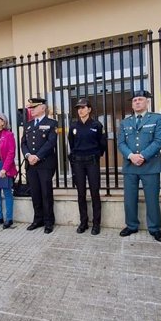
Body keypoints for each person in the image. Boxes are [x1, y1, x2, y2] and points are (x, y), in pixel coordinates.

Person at [118, 90, 161, 241]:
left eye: (140, 99)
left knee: (152, 199)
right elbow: (121, 143)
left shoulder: (157, 118)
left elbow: (159, 140)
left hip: (150, 165)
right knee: (129, 199)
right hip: (130, 165)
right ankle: (131, 225)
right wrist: (131, 156)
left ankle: (155, 228)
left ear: (147, 102)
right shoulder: (125, 122)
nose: (137, 102)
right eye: (134, 100)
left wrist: (143, 156)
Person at [67, 97, 106, 235]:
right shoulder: (73, 126)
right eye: (78, 108)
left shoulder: (96, 125)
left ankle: (96, 223)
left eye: (83, 107)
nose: (80, 110)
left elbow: (102, 144)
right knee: (81, 193)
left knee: (95, 192)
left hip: (92, 162)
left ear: (89, 109)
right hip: (78, 162)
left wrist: (95, 155)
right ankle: (83, 222)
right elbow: (71, 144)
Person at [21, 97, 58, 234]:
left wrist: (37, 156)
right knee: (35, 193)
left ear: (42, 108)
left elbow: (51, 142)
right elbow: (23, 143)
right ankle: (38, 219)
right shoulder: (28, 125)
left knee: (46, 193)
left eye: (34, 107)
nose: (31, 110)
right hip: (31, 165)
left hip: (45, 164)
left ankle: (48, 222)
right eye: (30, 108)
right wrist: (28, 156)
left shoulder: (52, 123)